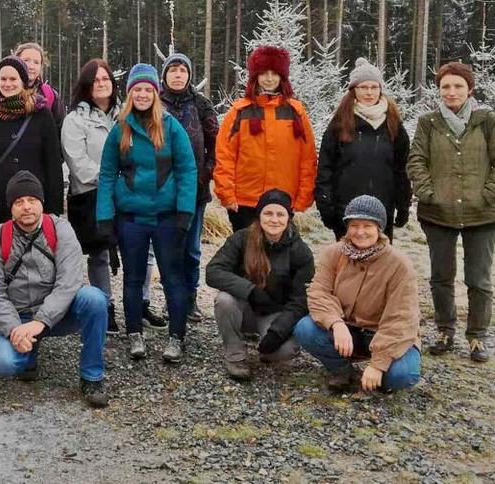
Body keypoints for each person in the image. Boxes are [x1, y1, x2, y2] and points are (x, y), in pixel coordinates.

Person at [407, 61, 495, 362]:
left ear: (470, 89)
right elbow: (416, 160)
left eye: (458, 86)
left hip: (482, 216)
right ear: (439, 90)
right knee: (441, 276)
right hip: (437, 215)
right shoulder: (428, 123)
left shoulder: (488, 121)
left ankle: (477, 336)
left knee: (478, 279)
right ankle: (445, 330)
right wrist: (427, 192)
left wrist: (489, 193)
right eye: (445, 86)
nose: (451, 92)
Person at [96, 63, 197, 363]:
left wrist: (184, 213)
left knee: (173, 277)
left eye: (147, 89)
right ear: (130, 94)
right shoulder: (120, 129)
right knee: (133, 278)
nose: (142, 94)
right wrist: (105, 217)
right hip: (131, 219)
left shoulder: (170, 127)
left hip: (166, 218)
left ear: (156, 93)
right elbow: (106, 173)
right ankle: (134, 333)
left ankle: (176, 336)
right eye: (136, 89)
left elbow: (187, 170)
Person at [0, 171, 109, 408]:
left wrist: (41, 321)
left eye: (32, 200)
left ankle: (92, 377)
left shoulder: (61, 229)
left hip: (58, 315)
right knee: (4, 364)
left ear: (42, 203)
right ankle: (28, 350)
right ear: (11, 208)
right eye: (19, 202)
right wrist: (13, 330)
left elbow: (69, 282)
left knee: (94, 299)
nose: (26, 207)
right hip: (18, 317)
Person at [294, 196, 422, 393]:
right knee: (305, 329)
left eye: (367, 225)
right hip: (346, 330)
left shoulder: (400, 265)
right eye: (354, 225)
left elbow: (401, 319)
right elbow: (319, 292)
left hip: (383, 334)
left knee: (402, 375)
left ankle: (378, 378)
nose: (360, 232)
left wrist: (378, 364)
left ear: (379, 229)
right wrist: (336, 323)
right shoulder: (333, 253)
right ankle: (342, 370)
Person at [205, 189, 314, 381]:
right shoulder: (241, 238)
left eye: (280, 214)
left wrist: (278, 331)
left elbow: (301, 299)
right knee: (223, 300)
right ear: (259, 215)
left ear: (289, 218)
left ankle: (266, 347)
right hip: (243, 307)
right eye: (268, 213)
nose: (274, 219)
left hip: (274, 313)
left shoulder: (300, 251)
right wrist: (250, 291)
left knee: (284, 351)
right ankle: (235, 355)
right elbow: (213, 271)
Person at [214, 45, 317, 231]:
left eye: (274, 73)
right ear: (255, 77)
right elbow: (224, 157)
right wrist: (227, 194)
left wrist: (303, 197)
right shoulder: (239, 112)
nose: (269, 79)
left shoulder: (296, 113)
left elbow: (307, 159)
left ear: (282, 77)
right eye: (263, 73)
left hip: (283, 202)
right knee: (248, 256)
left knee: (279, 257)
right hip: (245, 203)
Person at [316, 58, 411, 241]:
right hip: (345, 210)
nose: (369, 92)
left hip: (382, 209)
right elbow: (325, 168)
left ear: (380, 89)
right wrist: (326, 206)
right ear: (354, 90)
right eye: (363, 87)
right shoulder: (340, 123)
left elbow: (402, 169)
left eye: (374, 87)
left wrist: (403, 205)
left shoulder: (393, 123)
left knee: (380, 265)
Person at [0, 56, 64, 237]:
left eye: (13, 79)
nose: (7, 84)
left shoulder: (41, 113)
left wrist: (54, 205)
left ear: (23, 81)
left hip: (34, 203)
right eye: (3, 79)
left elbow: (52, 161)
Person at [61, 58, 120, 333]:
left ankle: (139, 304)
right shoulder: (75, 120)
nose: (101, 84)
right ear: (86, 85)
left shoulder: (126, 115)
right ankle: (104, 307)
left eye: (105, 79)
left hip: (127, 195)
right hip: (91, 196)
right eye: (95, 80)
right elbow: (79, 165)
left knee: (138, 251)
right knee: (99, 254)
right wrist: (114, 179)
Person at [160, 52, 220, 324]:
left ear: (189, 75)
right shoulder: (155, 103)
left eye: (182, 70)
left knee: (192, 248)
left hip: (195, 190)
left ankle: (191, 298)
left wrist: (206, 173)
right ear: (164, 75)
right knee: (168, 247)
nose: (177, 74)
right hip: (161, 190)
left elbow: (215, 143)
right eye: (172, 69)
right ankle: (172, 298)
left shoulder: (201, 104)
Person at [14, 42, 65, 130]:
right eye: (26, 60)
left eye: (36, 62)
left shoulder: (49, 95)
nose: (31, 66)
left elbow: (60, 129)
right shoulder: (2, 90)